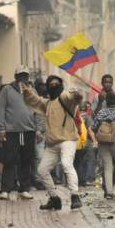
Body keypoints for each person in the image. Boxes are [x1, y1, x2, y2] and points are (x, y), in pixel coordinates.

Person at [21, 75, 83, 210]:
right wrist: (27, 91)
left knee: (67, 164)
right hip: (52, 143)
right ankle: (54, 198)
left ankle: (75, 196)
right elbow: (36, 101)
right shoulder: (48, 104)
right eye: (51, 84)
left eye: (56, 84)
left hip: (68, 139)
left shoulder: (65, 98)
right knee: (42, 170)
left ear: (61, 85)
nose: (53, 86)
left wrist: (76, 94)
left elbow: (73, 97)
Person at [0, 69, 36, 200]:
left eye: (25, 76)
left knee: (26, 160)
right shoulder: (7, 90)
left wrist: (40, 129)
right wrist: (1, 129)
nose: (23, 79)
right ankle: (5, 189)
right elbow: (1, 109)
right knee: (9, 160)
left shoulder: (32, 90)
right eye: (20, 76)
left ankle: (24, 189)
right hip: (11, 131)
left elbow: (39, 109)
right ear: (15, 77)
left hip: (29, 131)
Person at [91, 93, 115, 199]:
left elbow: (93, 127)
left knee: (107, 167)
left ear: (106, 102)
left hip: (103, 141)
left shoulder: (101, 112)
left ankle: (109, 192)